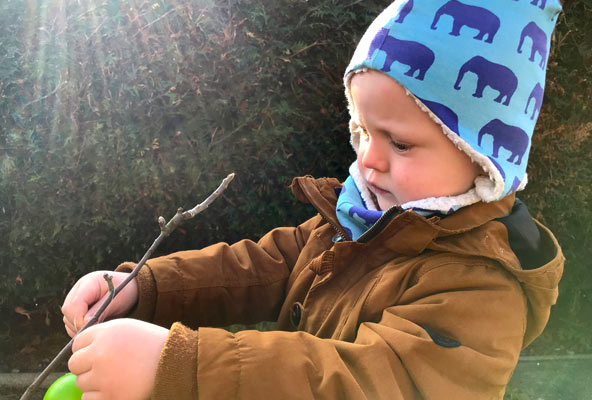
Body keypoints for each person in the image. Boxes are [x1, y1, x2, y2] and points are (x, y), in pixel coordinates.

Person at [61, 0, 565, 399]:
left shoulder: (482, 289)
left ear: (481, 157)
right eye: (364, 131)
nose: (369, 159)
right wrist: (143, 287)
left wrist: (183, 367)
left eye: (401, 143)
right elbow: (263, 266)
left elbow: (366, 382)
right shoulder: (362, 216)